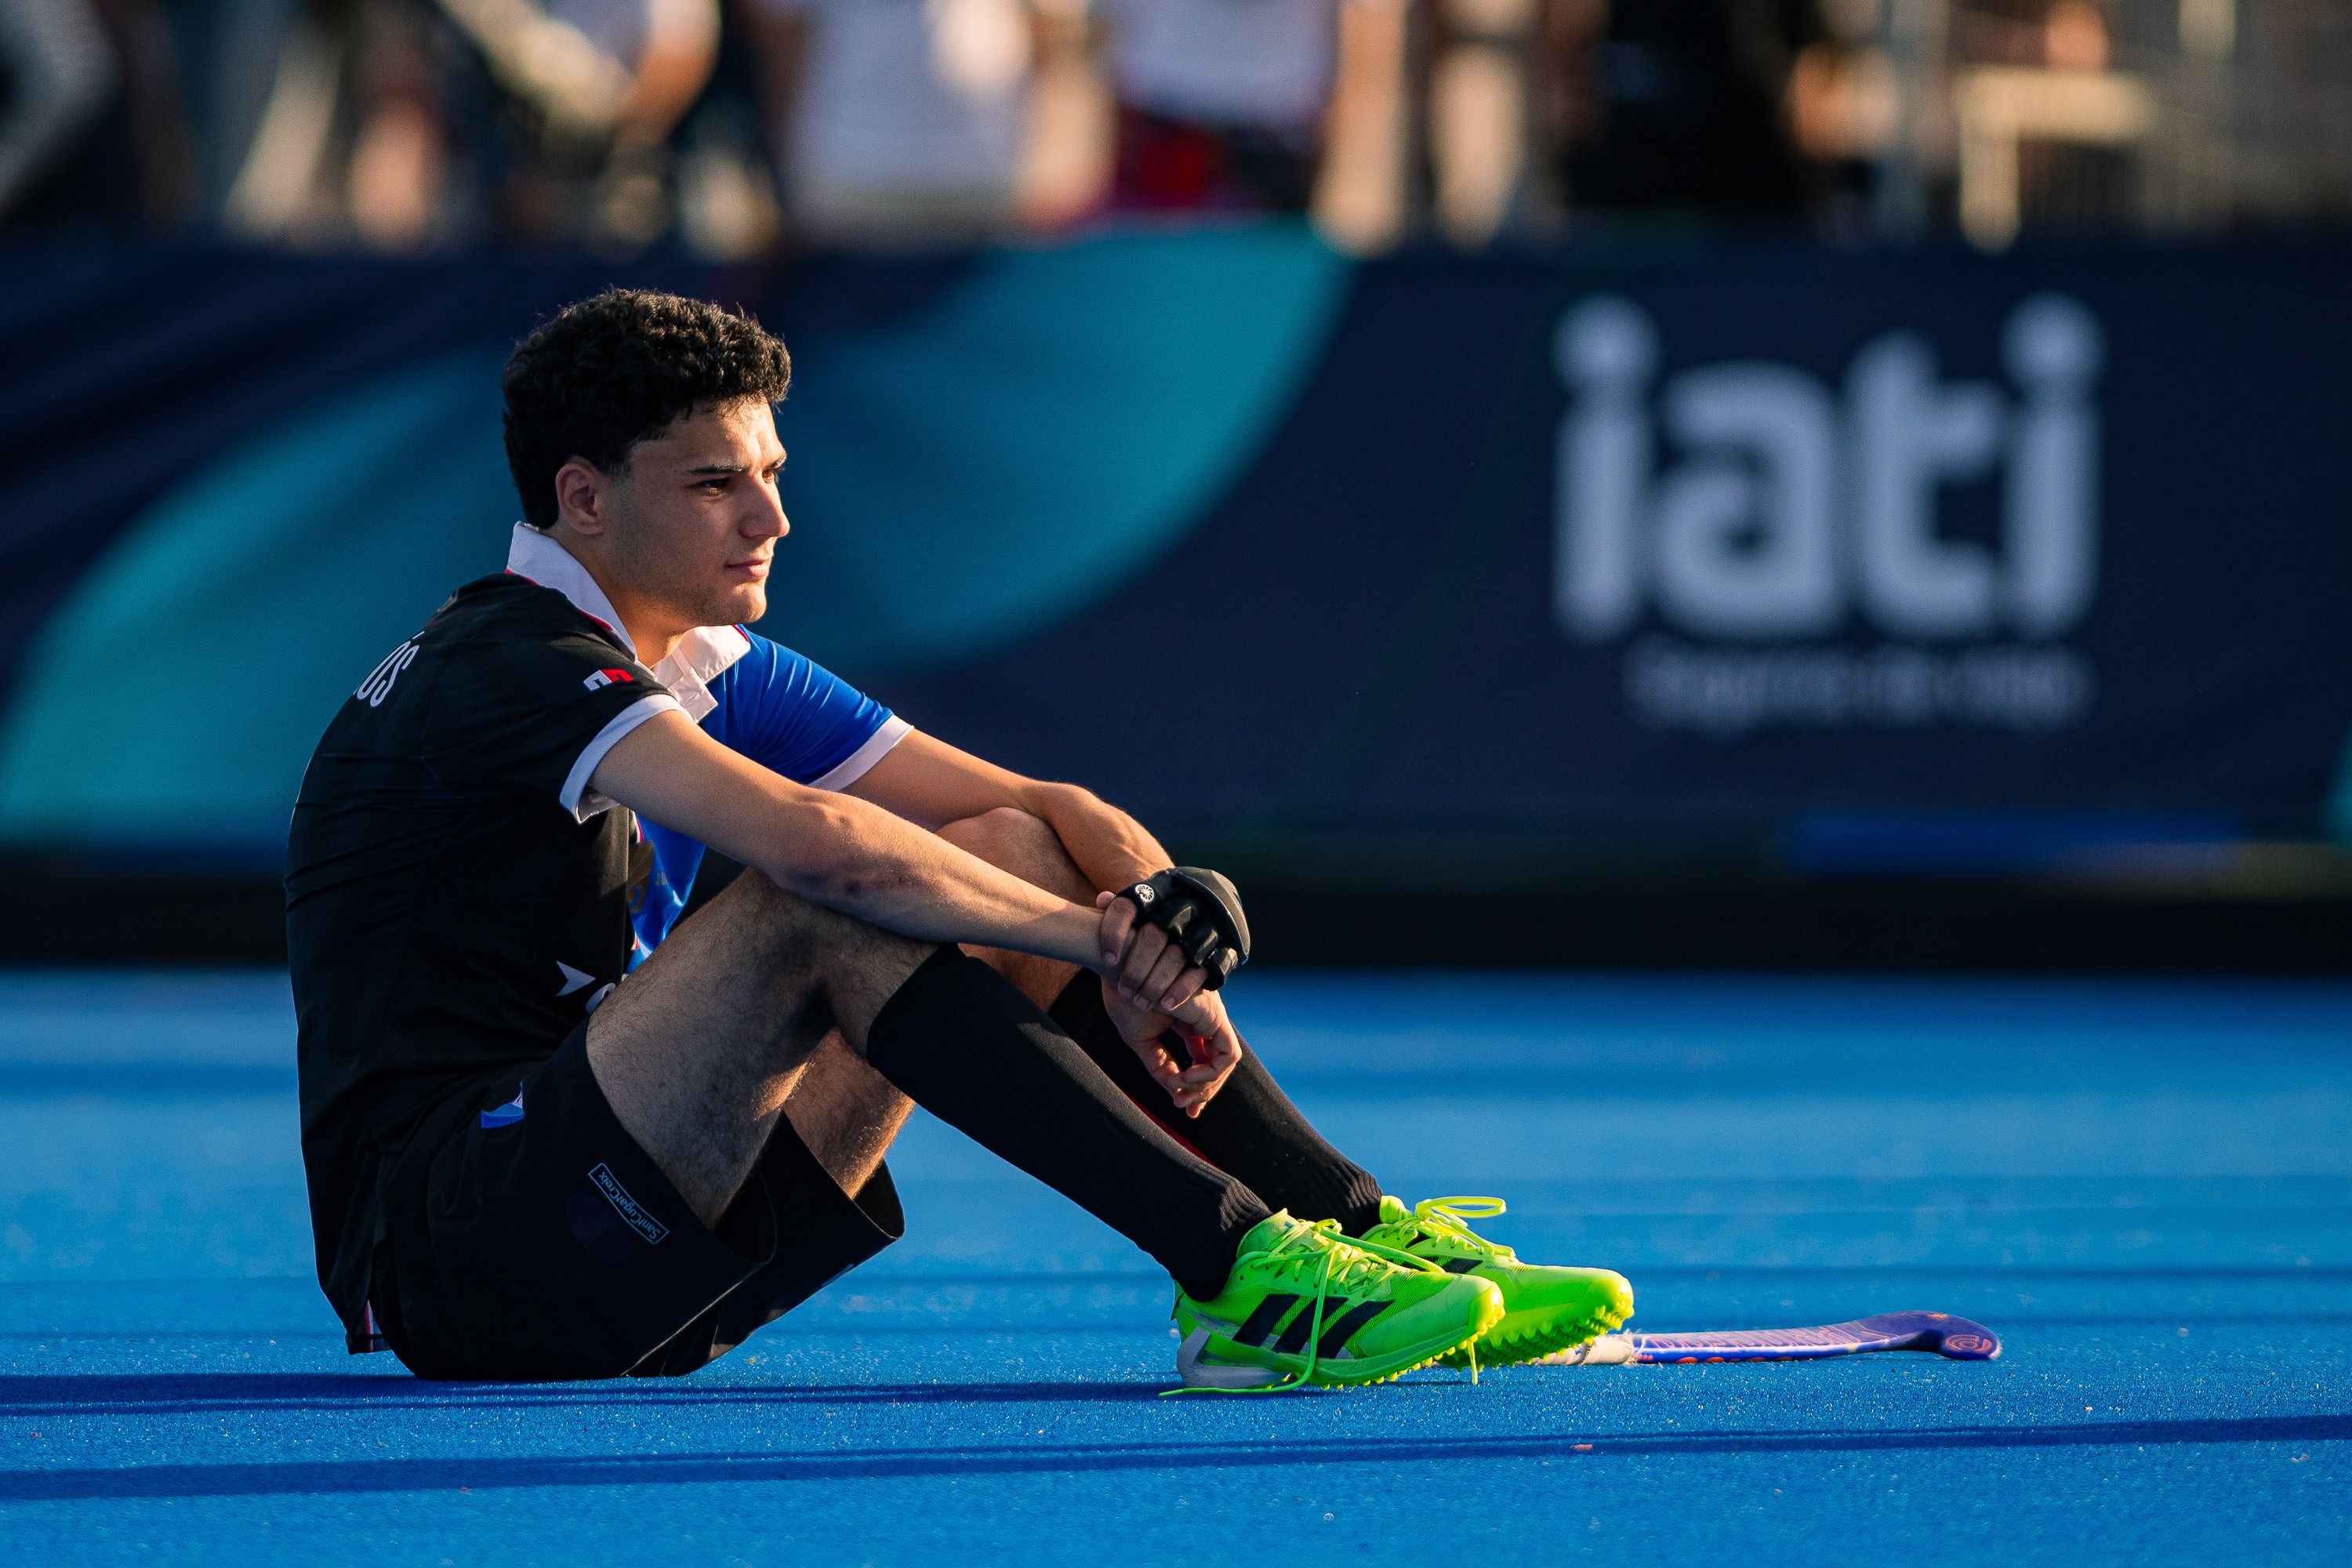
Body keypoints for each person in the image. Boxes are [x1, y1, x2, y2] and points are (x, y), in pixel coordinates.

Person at [285, 288, 1631, 1388]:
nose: (772, 517)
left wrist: (1157, 902)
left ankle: (1348, 1230)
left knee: (998, 848)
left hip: (632, 1220)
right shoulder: (504, 664)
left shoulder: (706, 658)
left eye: (771, 473)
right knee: (825, 896)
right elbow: (827, 852)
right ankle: (1238, 1273)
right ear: (583, 500)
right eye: (716, 484)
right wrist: (1093, 942)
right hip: (465, 1256)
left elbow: (1052, 815)